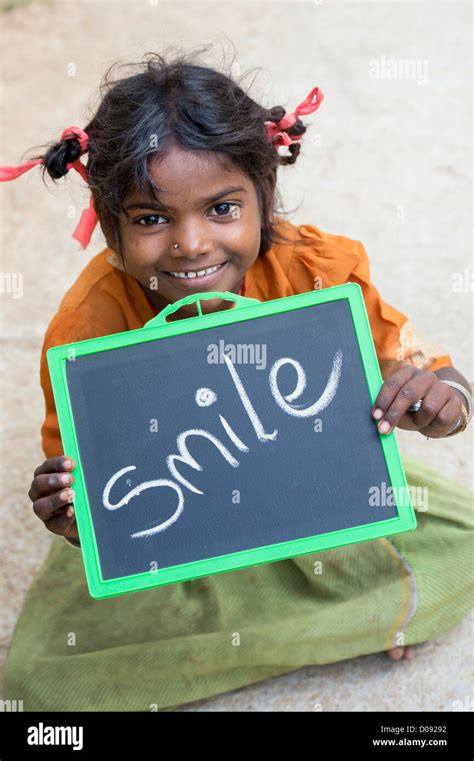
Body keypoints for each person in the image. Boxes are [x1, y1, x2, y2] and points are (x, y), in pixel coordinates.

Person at [1, 48, 472, 712]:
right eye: (151, 218)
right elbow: (93, 494)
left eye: (222, 208)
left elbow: (430, 372)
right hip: (173, 528)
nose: (192, 244)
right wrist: (70, 513)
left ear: (264, 200)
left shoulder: (315, 272)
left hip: (306, 496)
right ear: (110, 227)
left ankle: (265, 634)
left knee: (464, 539)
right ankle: (349, 619)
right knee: (39, 683)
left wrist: (443, 399)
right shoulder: (90, 327)